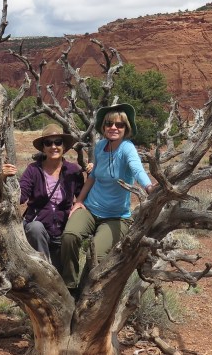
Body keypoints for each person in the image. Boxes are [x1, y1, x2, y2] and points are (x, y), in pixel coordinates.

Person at [60, 103, 155, 291]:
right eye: (109, 124)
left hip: (116, 216)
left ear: (126, 128)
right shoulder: (101, 146)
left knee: (95, 255)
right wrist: (79, 201)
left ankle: (85, 291)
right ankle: (70, 285)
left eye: (119, 125)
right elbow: (93, 177)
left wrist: (149, 186)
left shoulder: (127, 148)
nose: (114, 128)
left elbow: (137, 169)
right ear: (103, 127)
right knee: (69, 236)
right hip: (90, 208)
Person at [2, 124, 85, 269]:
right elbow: (19, 197)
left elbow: (84, 197)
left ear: (64, 146)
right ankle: (45, 270)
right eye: (48, 143)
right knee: (35, 227)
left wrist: (92, 174)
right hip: (39, 232)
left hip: (63, 231)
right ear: (43, 148)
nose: (54, 146)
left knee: (64, 277)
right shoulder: (33, 170)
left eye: (58, 142)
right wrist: (2, 179)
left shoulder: (73, 171)